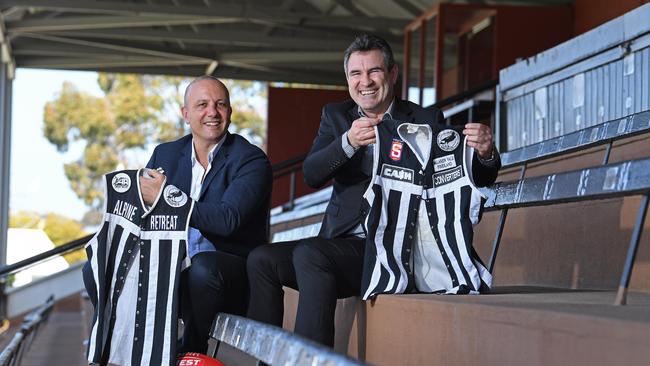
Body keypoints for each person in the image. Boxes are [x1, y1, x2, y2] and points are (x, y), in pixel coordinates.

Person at [246, 34, 500, 347]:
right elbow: (312, 174)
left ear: (392, 74)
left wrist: (485, 154)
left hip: (389, 248)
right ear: (348, 79)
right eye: (356, 73)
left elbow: (464, 175)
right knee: (262, 259)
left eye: (374, 71)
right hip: (339, 245)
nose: (365, 81)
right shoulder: (337, 117)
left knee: (311, 254)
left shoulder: (424, 119)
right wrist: (348, 143)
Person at [140, 76, 272, 353]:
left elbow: (227, 220)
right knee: (100, 267)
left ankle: (191, 349)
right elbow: (144, 214)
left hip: (229, 275)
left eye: (220, 104)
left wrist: (168, 198)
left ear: (230, 113)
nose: (212, 112)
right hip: (176, 268)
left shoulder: (250, 159)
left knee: (202, 267)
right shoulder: (165, 154)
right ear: (186, 114)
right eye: (202, 105)